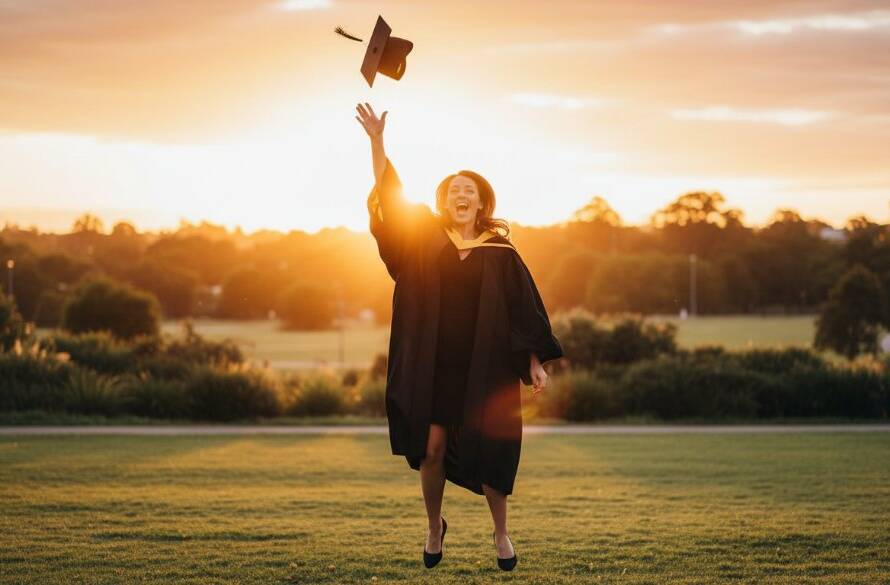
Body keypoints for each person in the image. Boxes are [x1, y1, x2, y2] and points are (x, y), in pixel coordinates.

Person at [355, 102, 563, 571]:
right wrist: (377, 142)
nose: (460, 194)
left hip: (484, 367)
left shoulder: (500, 253)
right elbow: (391, 198)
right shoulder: (425, 239)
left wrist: (534, 360)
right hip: (434, 366)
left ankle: (502, 533)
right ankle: (434, 526)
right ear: (444, 201)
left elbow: (524, 310)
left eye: (468, 190)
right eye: (453, 190)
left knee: (492, 450)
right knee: (429, 448)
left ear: (481, 202)